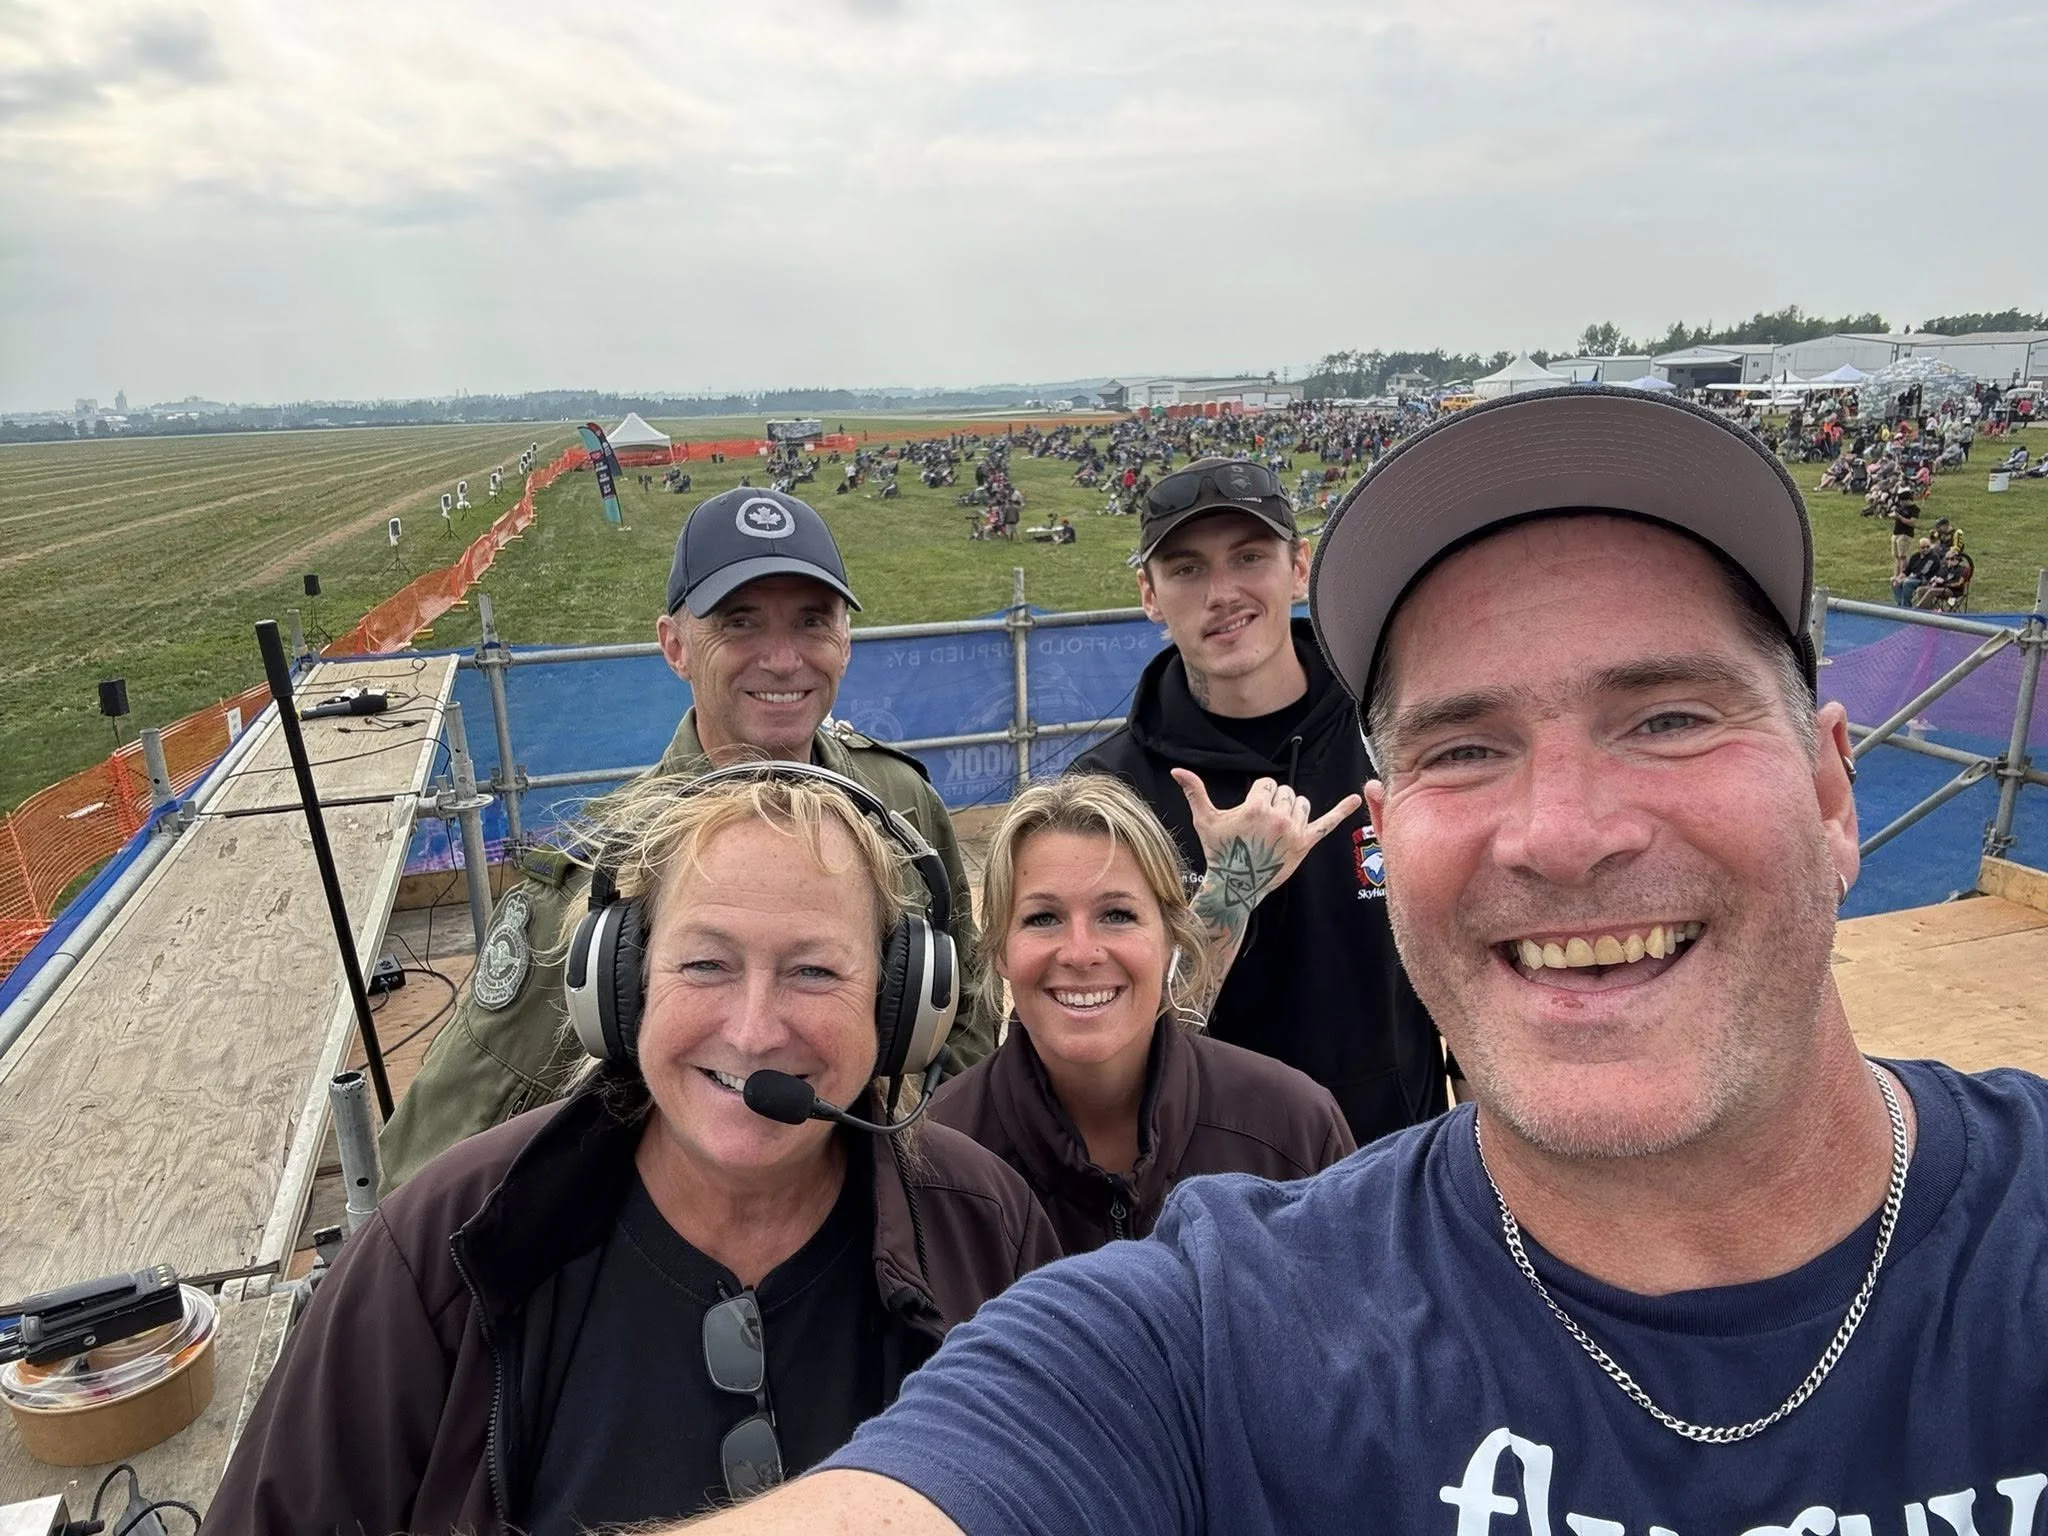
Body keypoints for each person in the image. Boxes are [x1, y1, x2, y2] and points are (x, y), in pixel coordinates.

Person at [659, 387, 2048, 1533]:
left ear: (1831, 793)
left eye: (1670, 717)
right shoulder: (1223, 1327)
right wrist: (1220, 909)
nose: (1559, 836)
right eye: (1464, 749)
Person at [211, 769, 1057, 1535]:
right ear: (621, 983)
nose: (756, 1030)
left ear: (899, 1004)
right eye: (704, 963)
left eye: (814, 972)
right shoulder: (439, 1253)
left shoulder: (990, 1232)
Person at [379, 488, 999, 1192]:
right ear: (675, 646)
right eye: (740, 624)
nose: (783, 659)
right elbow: (440, 1145)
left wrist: (940, 1188)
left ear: (845, 642)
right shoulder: (603, 874)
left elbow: (967, 1007)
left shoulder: (903, 807)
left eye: (812, 622)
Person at [1072, 455, 1446, 1146]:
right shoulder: (1107, 795)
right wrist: (1229, 894)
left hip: (1398, 1164)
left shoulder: (1396, 734)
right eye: (1185, 568)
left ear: (1299, 567)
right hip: (1216, 1194)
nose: (1221, 592)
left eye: (1249, 557)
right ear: (1149, 595)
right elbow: (1113, 1043)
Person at [930, 775, 1353, 1253]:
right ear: (1000, 951)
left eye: (1117, 915)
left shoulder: (1293, 1129)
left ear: (1171, 936)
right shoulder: (934, 1161)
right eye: (1042, 918)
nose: (1081, 953)